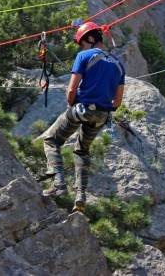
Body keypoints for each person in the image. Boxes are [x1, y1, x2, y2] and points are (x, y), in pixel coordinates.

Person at [41, 22, 125, 213]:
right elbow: (117, 102)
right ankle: (80, 196)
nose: (81, 47)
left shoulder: (84, 56)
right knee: (82, 151)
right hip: (102, 115)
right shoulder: (119, 65)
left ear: (89, 38)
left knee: (51, 140)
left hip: (82, 108)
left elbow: (71, 89)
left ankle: (59, 182)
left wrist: (72, 105)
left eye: (81, 43)